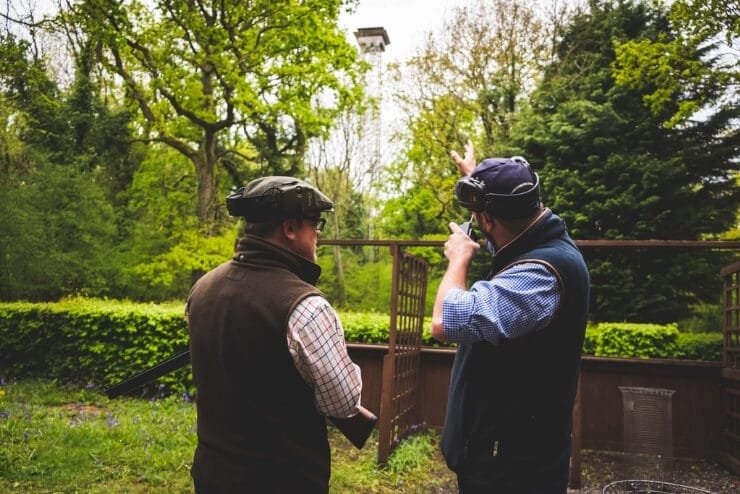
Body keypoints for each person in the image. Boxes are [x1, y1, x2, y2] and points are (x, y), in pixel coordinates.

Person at [186, 176, 363, 494]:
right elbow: (344, 403)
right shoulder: (306, 306)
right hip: (284, 481)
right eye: (315, 223)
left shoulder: (202, 288)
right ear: (291, 228)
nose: (318, 233)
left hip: (212, 476)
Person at [431, 141, 590, 493]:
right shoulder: (539, 242)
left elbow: (444, 320)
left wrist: (458, 258)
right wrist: (474, 177)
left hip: (513, 470)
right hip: (508, 458)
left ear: (488, 218)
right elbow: (504, 233)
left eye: (479, 219)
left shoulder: (541, 272)